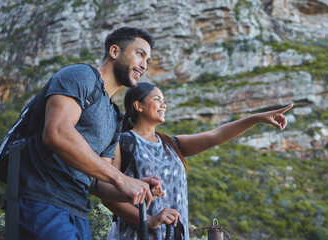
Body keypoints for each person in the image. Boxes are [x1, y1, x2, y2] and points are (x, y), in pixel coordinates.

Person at [17, 27, 162, 240]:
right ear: (114, 51)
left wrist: (137, 187)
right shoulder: (80, 75)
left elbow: (96, 184)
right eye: (140, 54)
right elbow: (56, 132)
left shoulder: (114, 118)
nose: (144, 65)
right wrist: (121, 179)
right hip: (42, 201)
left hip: (78, 212)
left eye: (148, 60)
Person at [104, 82, 293, 240]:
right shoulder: (123, 143)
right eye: (157, 99)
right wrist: (150, 219)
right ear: (138, 106)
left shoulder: (171, 144)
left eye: (164, 101)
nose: (164, 105)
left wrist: (257, 118)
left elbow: (215, 135)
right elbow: (109, 197)